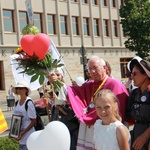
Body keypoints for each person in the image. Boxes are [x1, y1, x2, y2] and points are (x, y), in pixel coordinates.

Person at [48, 55, 129, 150]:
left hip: (108, 128)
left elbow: (118, 110)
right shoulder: (89, 85)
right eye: (90, 69)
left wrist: (90, 117)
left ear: (104, 68)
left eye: (95, 68)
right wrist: (57, 83)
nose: (92, 72)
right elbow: (73, 92)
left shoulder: (115, 85)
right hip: (89, 128)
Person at [43, 67, 79, 150]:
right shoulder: (51, 90)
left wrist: (58, 105)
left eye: (58, 75)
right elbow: (52, 110)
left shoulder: (66, 89)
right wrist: (47, 104)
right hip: (57, 124)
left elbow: (71, 113)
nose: (55, 77)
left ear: (62, 76)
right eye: (53, 75)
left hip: (69, 126)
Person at [125, 56, 150, 150]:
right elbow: (126, 115)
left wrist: (145, 136)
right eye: (131, 73)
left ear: (146, 75)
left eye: (135, 74)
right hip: (137, 134)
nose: (132, 77)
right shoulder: (134, 94)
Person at [9, 81, 36, 150]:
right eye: (17, 88)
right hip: (21, 135)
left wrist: (22, 133)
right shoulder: (17, 102)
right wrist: (12, 132)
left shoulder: (29, 102)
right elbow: (15, 119)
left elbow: (33, 121)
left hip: (29, 135)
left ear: (25, 89)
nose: (18, 90)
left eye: (20, 88)